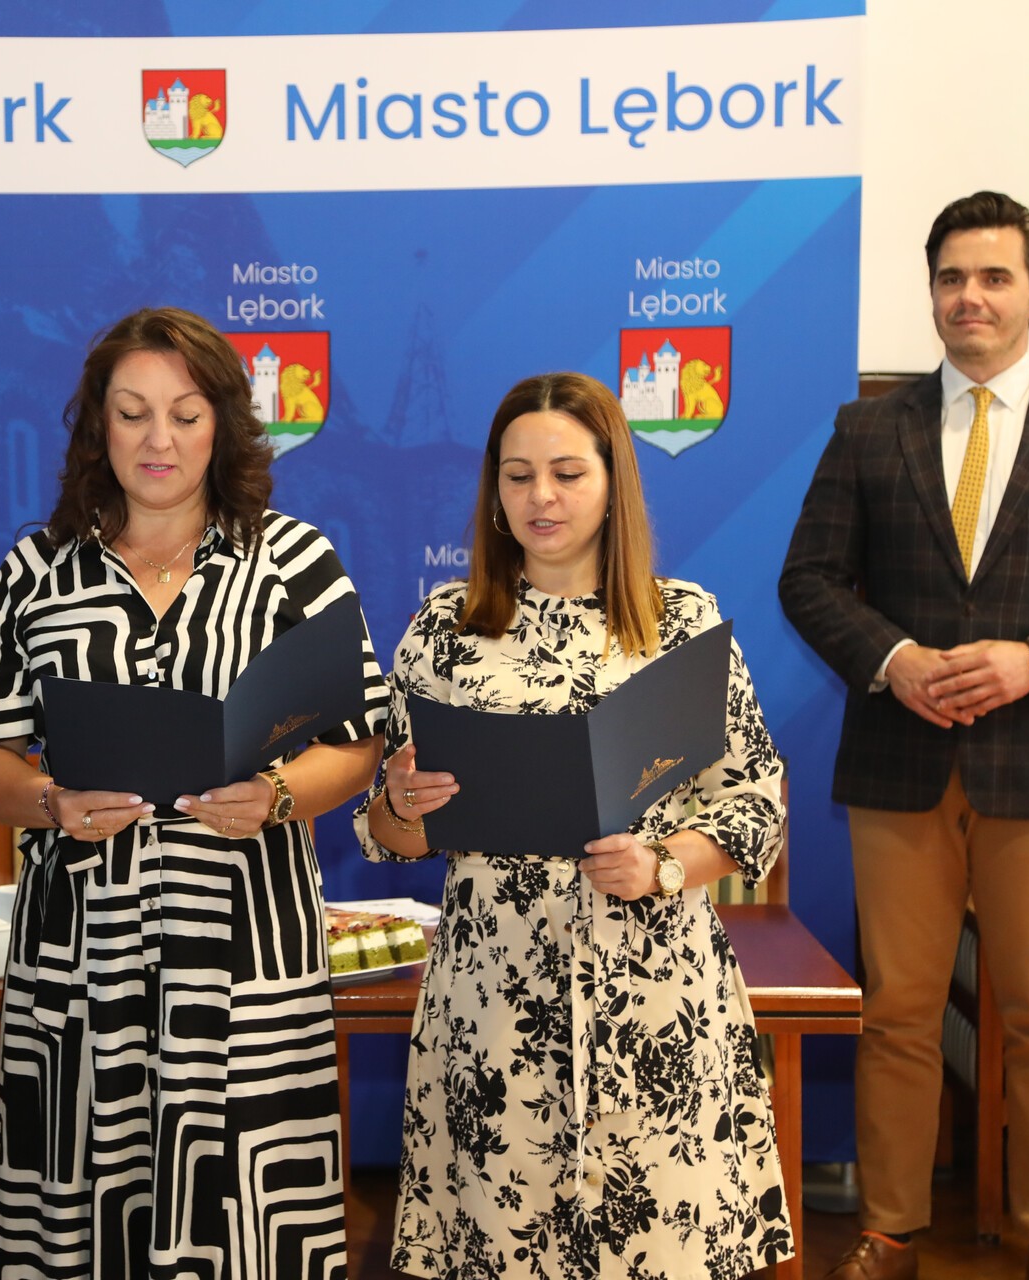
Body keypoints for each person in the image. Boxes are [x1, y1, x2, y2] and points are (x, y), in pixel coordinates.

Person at [779, 192, 1029, 1280]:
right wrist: (895, 659)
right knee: (898, 1013)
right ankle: (890, 1230)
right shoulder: (868, 429)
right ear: (932, 292)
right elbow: (808, 580)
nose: (971, 296)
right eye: (952, 277)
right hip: (898, 761)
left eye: (995, 277)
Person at [0, 306, 388, 1280]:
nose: (159, 439)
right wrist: (49, 801)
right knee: (77, 1216)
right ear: (96, 426)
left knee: (247, 1226)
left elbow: (359, 742)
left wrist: (276, 793)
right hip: (78, 965)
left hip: (248, 959)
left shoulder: (294, 561)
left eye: (185, 414)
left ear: (223, 423)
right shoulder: (35, 571)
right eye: (132, 412)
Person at [356, 371, 793, 1280]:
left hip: (654, 993)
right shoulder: (443, 629)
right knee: (503, 1247)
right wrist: (398, 803)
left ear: (612, 480)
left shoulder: (682, 621)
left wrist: (664, 863)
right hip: (493, 997)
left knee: (658, 1248)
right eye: (517, 476)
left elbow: (755, 800)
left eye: (566, 473)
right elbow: (391, 835)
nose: (541, 498)